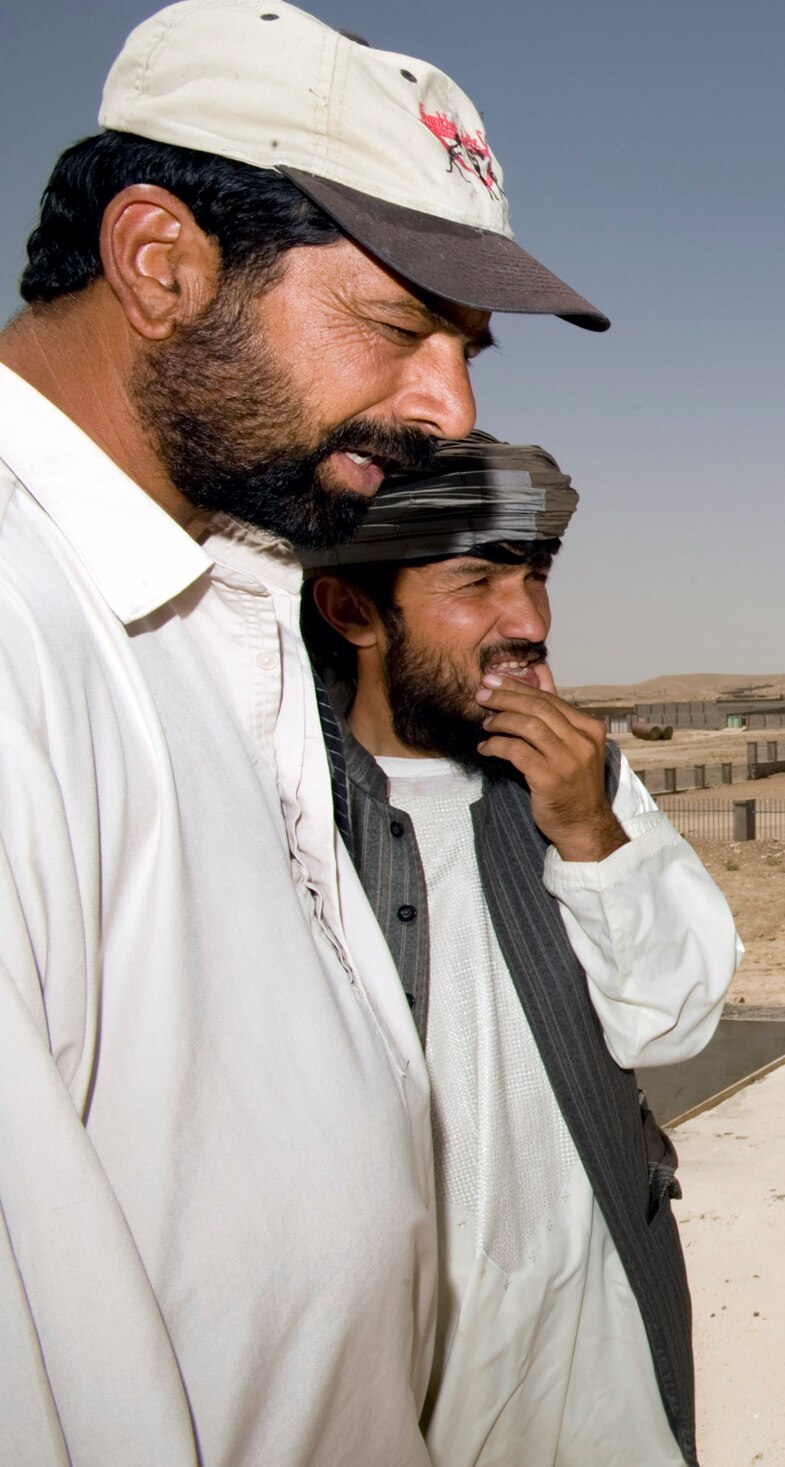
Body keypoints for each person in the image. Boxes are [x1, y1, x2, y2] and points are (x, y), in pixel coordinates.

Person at [0, 3, 607, 1463]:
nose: (448, 412)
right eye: (399, 326)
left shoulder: (219, 606)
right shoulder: (27, 622)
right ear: (160, 262)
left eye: (467, 349)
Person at [300, 434, 738, 1467]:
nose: (529, 621)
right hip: (399, 1385)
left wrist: (588, 831)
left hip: (596, 1361)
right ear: (353, 610)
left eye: (535, 577)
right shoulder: (284, 813)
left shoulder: (586, 782)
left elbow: (674, 1022)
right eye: (477, 582)